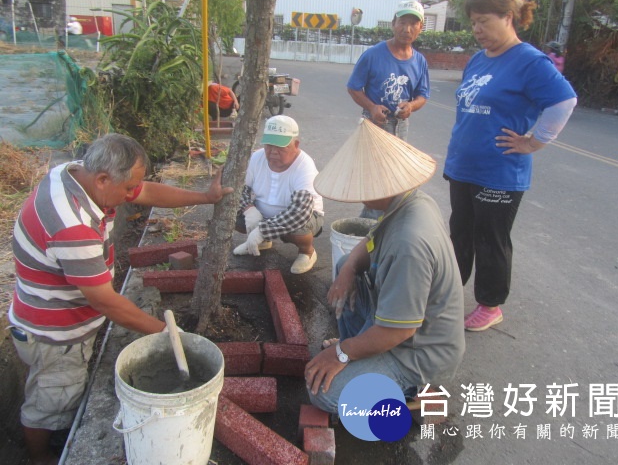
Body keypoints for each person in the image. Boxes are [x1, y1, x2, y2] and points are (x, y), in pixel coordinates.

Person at [8, 133, 232, 465]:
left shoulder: (74, 174)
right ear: (102, 179)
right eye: (128, 189)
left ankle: (58, 428)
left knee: (59, 391)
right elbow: (106, 302)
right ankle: (39, 456)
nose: (132, 196)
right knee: (49, 401)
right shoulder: (72, 226)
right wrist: (168, 335)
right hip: (54, 334)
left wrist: (205, 197)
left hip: (55, 317)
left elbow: (147, 191)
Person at [305, 119, 465, 414]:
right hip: (402, 326)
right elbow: (367, 245)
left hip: (419, 351)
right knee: (344, 264)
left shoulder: (409, 244)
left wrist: (341, 353)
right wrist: (349, 270)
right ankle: (360, 352)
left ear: (385, 184)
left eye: (362, 185)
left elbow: (396, 333)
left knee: (323, 393)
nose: (358, 192)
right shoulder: (408, 202)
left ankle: (416, 394)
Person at [443, 0, 577, 332]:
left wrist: (535, 142)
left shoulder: (529, 61)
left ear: (508, 17)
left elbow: (564, 101)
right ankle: (446, 296)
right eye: (473, 23)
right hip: (464, 165)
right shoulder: (478, 58)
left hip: (499, 171)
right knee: (460, 233)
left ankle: (490, 305)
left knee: (491, 239)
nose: (477, 30)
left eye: (484, 22)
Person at [233, 115, 324, 275]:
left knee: (298, 230)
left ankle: (307, 252)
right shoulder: (257, 157)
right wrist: (249, 210)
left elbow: (299, 212)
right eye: (269, 146)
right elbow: (240, 187)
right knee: (232, 214)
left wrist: (262, 230)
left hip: (303, 216)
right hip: (264, 213)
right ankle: (262, 242)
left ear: (296, 144)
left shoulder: (304, 166)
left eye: (281, 147)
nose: (273, 152)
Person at [347, 0, 430, 142]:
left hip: (401, 125)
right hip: (374, 123)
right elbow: (353, 87)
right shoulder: (373, 55)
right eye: (402, 22)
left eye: (413, 24)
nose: (407, 29)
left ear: (420, 27)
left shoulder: (420, 61)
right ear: (393, 24)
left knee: (395, 164)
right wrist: (372, 107)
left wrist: (410, 106)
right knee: (371, 164)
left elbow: (422, 95)